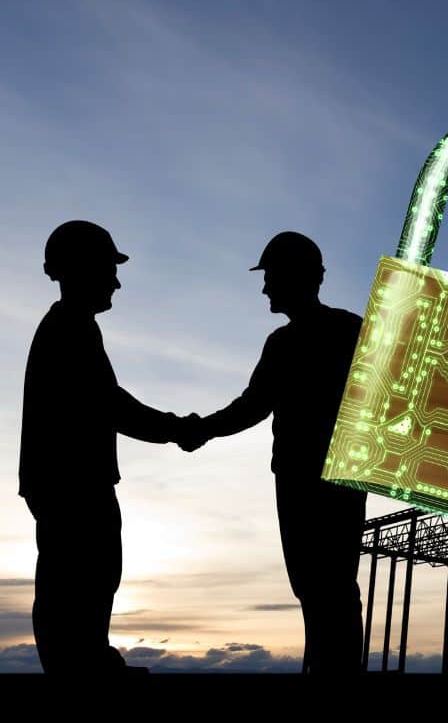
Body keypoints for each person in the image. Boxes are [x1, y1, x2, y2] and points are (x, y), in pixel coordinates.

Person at [178, 231, 367, 675]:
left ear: (298, 278)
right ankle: (326, 667)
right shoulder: (345, 331)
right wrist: (202, 428)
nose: (264, 288)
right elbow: (253, 406)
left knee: (328, 587)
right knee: (322, 587)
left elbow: (251, 407)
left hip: (316, 483)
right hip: (326, 480)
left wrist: (198, 430)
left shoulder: (313, 338)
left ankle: (331, 671)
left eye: (271, 277)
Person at [19, 220, 193, 674]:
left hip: (67, 482)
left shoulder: (71, 327)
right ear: (80, 268)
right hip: (74, 484)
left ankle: (88, 658)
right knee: (80, 578)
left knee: (85, 578)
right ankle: (81, 667)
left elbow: (107, 404)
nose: (116, 280)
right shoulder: (69, 329)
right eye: (108, 268)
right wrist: (176, 429)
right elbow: (111, 406)